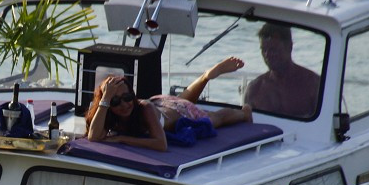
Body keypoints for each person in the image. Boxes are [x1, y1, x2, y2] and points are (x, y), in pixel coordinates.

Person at [85, 57, 253, 151]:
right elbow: (94, 136)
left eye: (128, 97)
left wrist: (121, 138)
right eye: (115, 100)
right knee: (183, 98)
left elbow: (161, 144)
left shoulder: (144, 109)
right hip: (163, 103)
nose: (124, 104)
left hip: (178, 111)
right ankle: (205, 77)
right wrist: (104, 101)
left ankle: (245, 113)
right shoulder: (105, 110)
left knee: (214, 118)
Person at [243, 23, 321, 118]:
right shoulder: (255, 89)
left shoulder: (313, 84)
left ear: (290, 47)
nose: (267, 55)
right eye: (264, 50)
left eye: (273, 49)